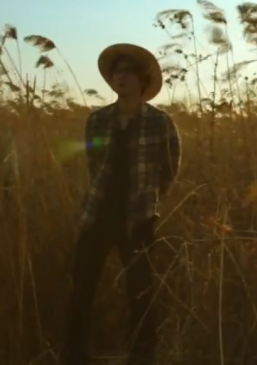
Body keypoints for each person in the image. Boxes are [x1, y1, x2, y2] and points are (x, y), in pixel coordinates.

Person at [64, 43, 182, 365]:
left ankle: (142, 356)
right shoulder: (98, 120)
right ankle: (75, 355)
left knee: (140, 292)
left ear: (141, 81)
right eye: (117, 72)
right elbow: (93, 162)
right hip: (98, 215)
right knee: (81, 288)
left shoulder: (160, 123)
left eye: (128, 72)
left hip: (138, 219)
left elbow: (170, 167)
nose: (121, 77)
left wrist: (150, 197)